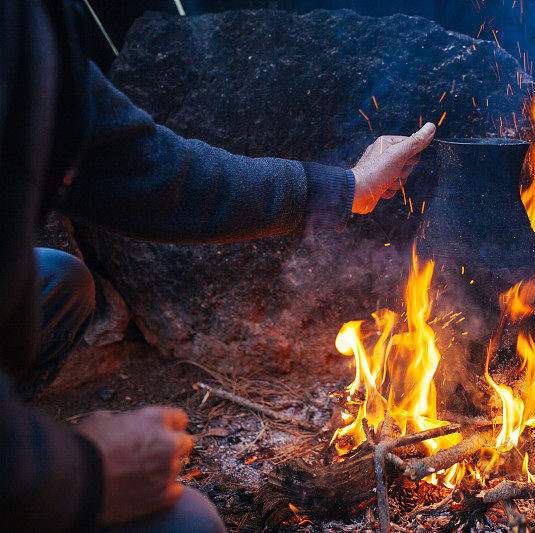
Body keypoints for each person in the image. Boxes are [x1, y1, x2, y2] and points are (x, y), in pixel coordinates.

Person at [0, 0, 436, 531]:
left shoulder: (31, 30)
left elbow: (163, 175)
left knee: (61, 284)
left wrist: (348, 187)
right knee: (189, 520)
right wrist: (80, 470)